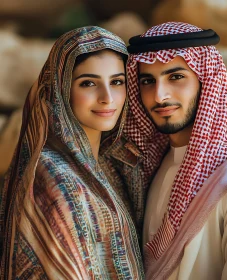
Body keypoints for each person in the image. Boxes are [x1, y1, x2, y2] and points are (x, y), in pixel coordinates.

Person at [123, 22, 227, 279]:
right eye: (148, 81)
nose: (159, 95)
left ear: (206, 81)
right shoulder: (154, 163)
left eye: (176, 77)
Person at [0, 26, 144, 279]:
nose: (107, 97)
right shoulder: (52, 175)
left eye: (117, 82)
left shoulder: (114, 164)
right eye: (88, 83)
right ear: (61, 88)